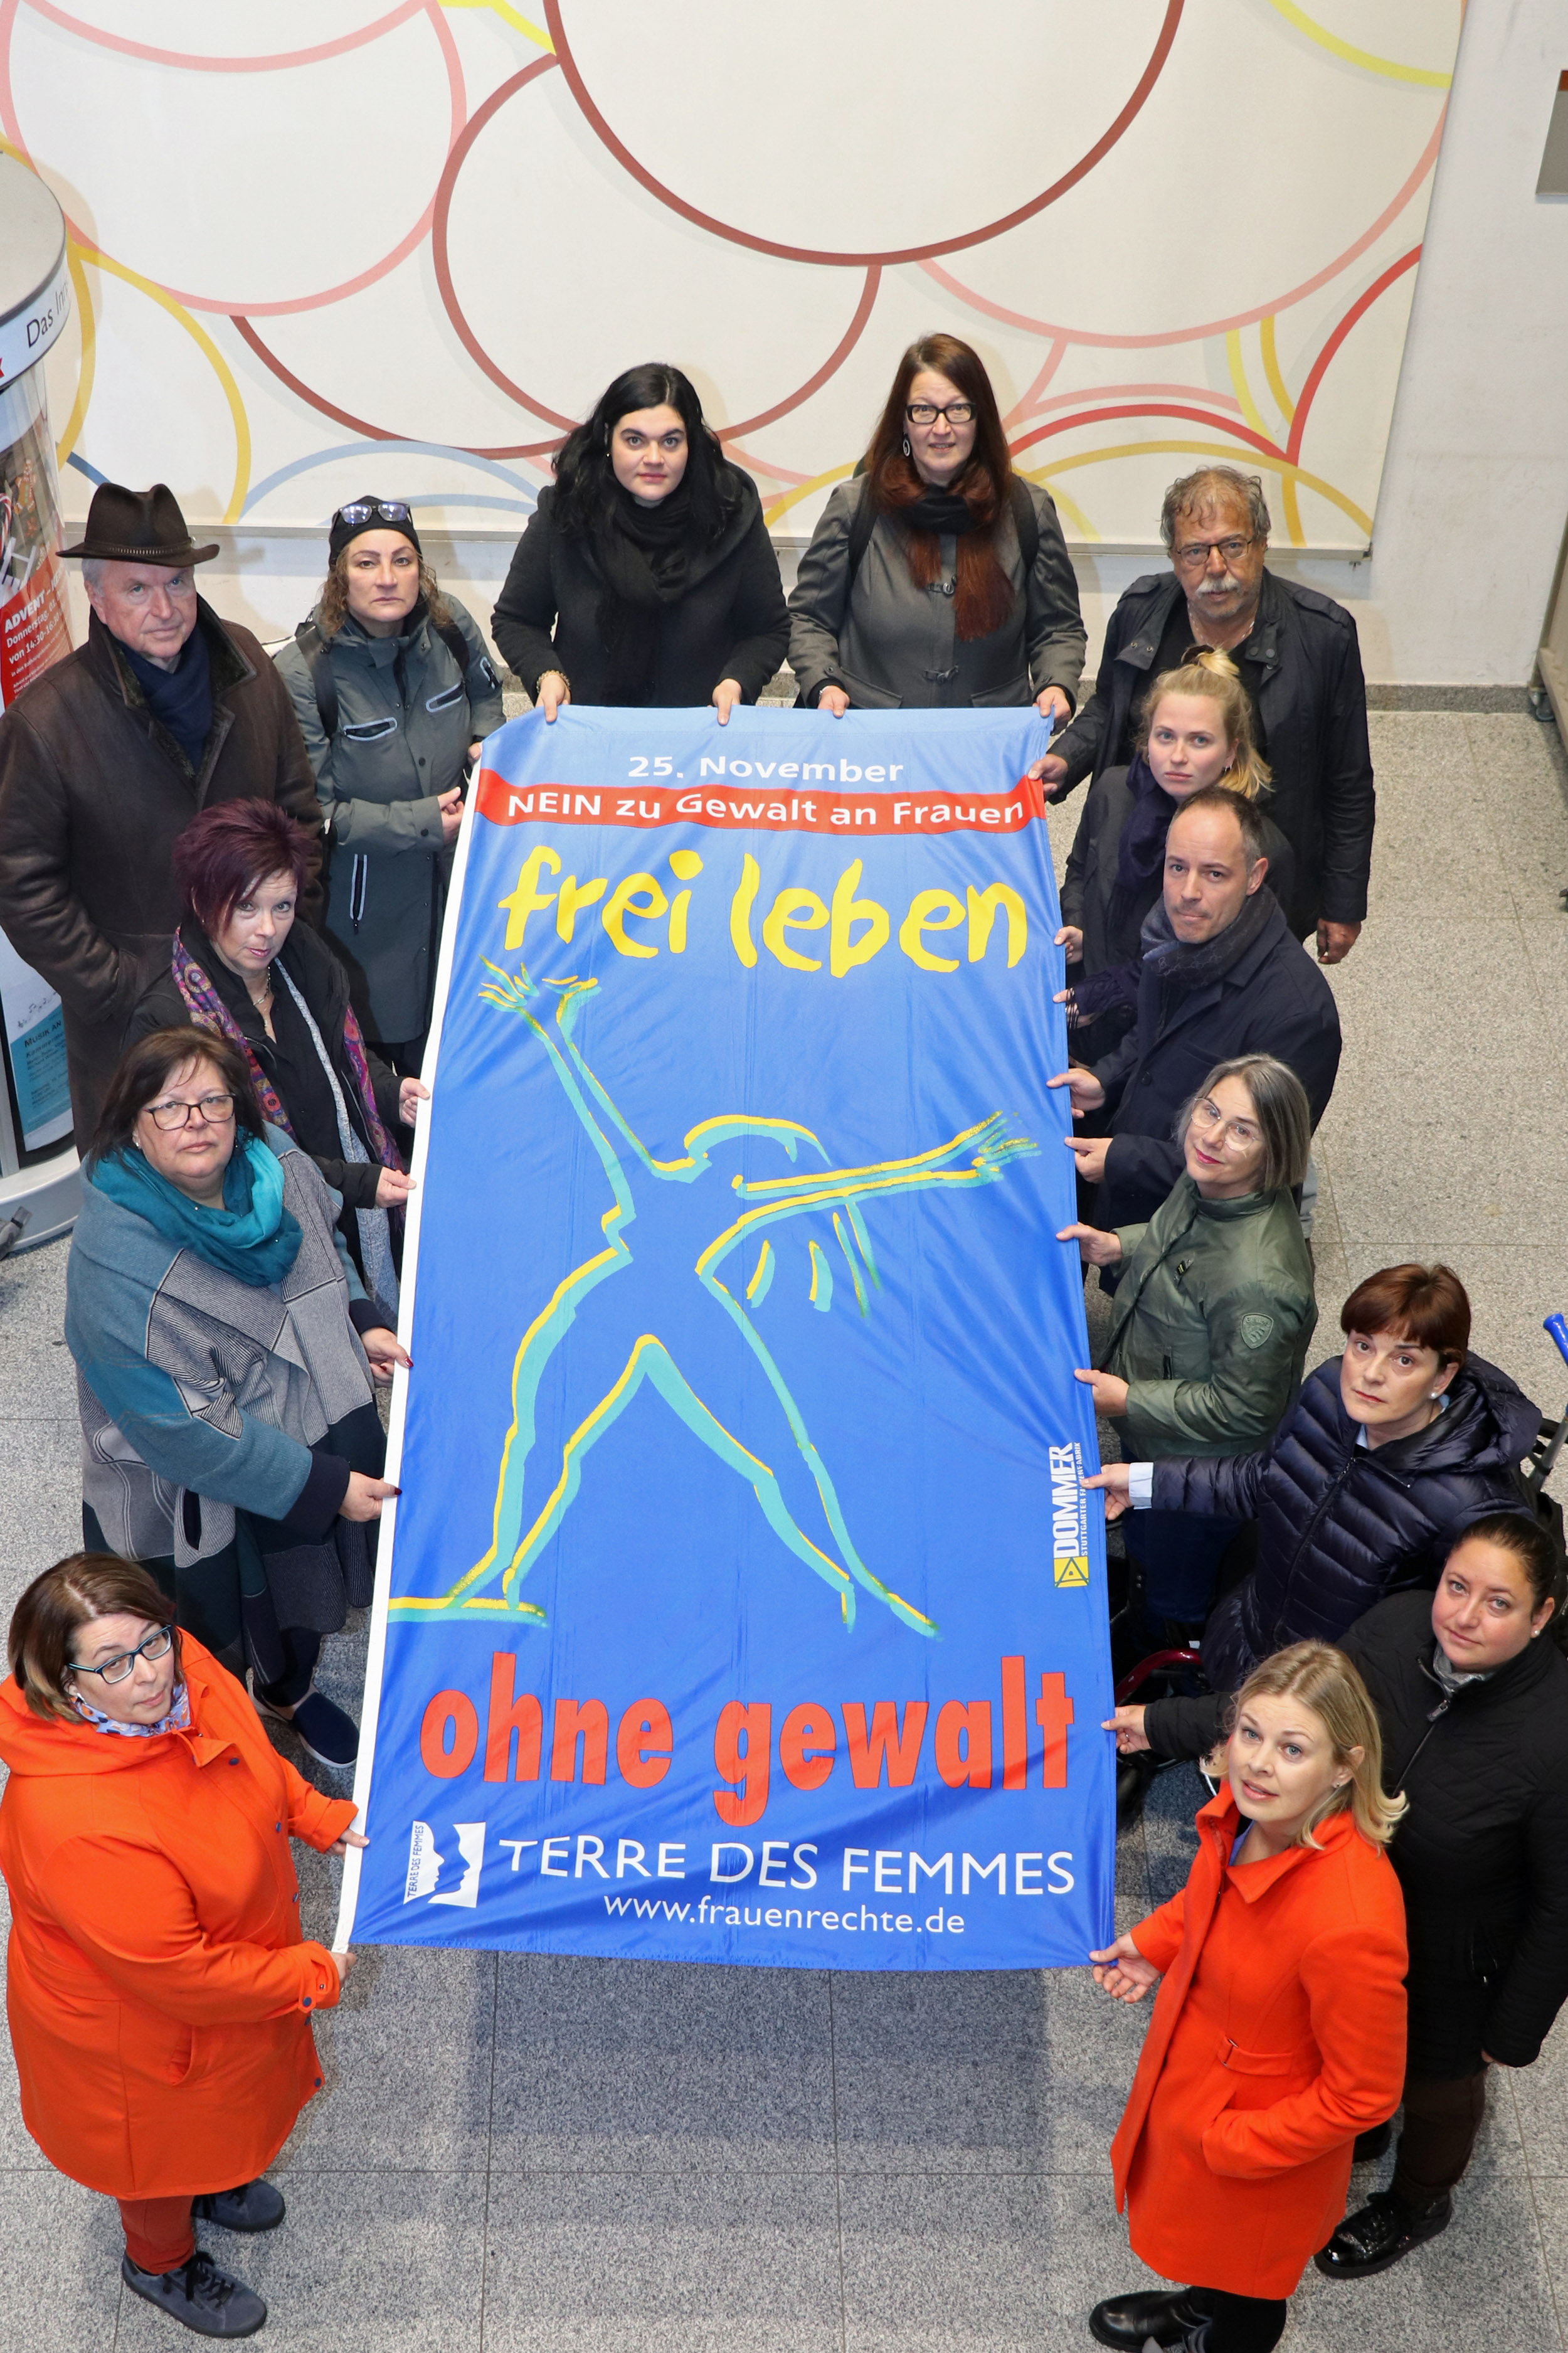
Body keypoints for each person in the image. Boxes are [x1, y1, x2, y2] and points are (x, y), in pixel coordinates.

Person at [1115, 1516, 1568, 2292]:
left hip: (1452, 1963)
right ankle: (1353, 2140)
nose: (1462, 1614)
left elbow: (1563, 1905)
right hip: (1328, 1910)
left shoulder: (1556, 1735)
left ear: (1541, 1617)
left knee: (1433, 2094)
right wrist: (1160, 1723)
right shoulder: (1395, 1625)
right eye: (1456, 1586)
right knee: (1345, 2079)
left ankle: (1418, 2203)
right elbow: (1291, 1711)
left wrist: (1512, 2030)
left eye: (1498, 1603)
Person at [0, 1553, 366, 2339]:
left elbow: (249, 1757)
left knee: (213, 2126)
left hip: (203, 1991)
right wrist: (308, 1973)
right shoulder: (77, 1827)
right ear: (64, 1685)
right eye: (112, 1663)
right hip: (132, 2046)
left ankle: (215, 2176)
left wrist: (313, 1813)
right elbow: (186, 1975)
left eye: (154, 1640)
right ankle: (158, 2262)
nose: (148, 1674)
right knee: (156, 2163)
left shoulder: (180, 1668)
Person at [64, 1029, 405, 1768]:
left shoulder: (275, 1162)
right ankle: (211, 1743)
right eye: (171, 1106)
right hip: (190, 1480)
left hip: (312, 1422)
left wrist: (358, 1316)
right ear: (132, 1123)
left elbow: (326, 1240)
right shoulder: (117, 1267)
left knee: (304, 1592)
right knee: (199, 1630)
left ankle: (289, 1692)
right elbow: (180, 1431)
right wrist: (321, 1485)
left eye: (213, 1100)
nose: (198, 1121)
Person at [1088, 1642, 1407, 2353]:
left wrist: (1235, 2142)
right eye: (1249, 1733)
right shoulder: (1250, 1812)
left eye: (1292, 1748)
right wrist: (1155, 1942)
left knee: (1253, 2284)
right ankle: (1198, 2305)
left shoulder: (1350, 1920)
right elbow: (1217, 1899)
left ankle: (1220, 2334)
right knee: (1219, 2258)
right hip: (1204, 2083)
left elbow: (1365, 2095)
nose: (1258, 1762)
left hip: (1258, 2143)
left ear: (1345, 1764)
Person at [0, 481, 322, 1149]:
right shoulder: (47, 720)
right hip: (134, 1027)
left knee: (276, 1186)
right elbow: (21, 884)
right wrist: (121, 987)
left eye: (177, 582)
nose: (165, 607)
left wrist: (281, 935)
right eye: (137, 589)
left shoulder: (250, 667)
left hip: (260, 996)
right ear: (95, 595)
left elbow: (299, 818)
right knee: (150, 1214)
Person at [1089, 1263, 1542, 1697]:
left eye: (1404, 1359)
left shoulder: (1472, 1505)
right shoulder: (1328, 1388)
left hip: (1332, 1697)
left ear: (1443, 1374)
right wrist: (1144, 1482)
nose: (1370, 1373)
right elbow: (1267, 1479)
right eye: (1363, 1345)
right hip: (1254, 1632)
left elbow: (1455, 1645)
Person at [1036, 464, 1373, 965]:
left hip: (1255, 872)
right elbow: (1109, 705)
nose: (1215, 567)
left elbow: (1348, 781)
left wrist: (1342, 904)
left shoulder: (1325, 638)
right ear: (1174, 558)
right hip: (1144, 852)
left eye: (1232, 546)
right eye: (1195, 551)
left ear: (1262, 544)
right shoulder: (1140, 612)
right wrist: (1065, 759)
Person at [129, 799, 425, 1320]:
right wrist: (354, 1183)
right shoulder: (169, 1022)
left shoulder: (300, 956)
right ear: (201, 900)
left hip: (356, 1211)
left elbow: (345, 1060)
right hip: (265, 1257)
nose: (267, 929)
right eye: (246, 907)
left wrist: (390, 1092)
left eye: (282, 907)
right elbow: (230, 1164)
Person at [1063, 1056, 1316, 1646]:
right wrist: (1115, 1245)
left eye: (1242, 1129)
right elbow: (1174, 1238)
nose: (1211, 1136)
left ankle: (1167, 1656)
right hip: (1150, 1415)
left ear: (1274, 1150)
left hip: (1194, 1469)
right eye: (1210, 1110)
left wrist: (1129, 1398)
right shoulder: (1211, 1176)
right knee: (1145, 1542)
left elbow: (1245, 1410)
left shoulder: (1261, 1282)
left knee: (1175, 1582)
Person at [273, 497, 505, 1070]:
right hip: (366, 921)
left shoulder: (450, 623)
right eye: (367, 563)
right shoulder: (304, 673)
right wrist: (424, 823)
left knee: (466, 1045)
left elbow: (486, 697)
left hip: (462, 888)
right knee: (384, 1075)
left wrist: (488, 752)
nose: (387, 578)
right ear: (338, 578)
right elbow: (318, 812)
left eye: (403, 561)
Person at [1048, 788, 1340, 1231]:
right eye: (1177, 867)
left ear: (1255, 876)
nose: (1188, 892)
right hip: (1139, 1216)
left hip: (1202, 1244)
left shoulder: (1298, 1017)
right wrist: (1106, 1080)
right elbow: (1153, 1038)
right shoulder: (1170, 939)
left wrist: (1126, 1159)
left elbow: (1255, 1165)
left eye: (1215, 874)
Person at [787, 332, 1086, 716]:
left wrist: (1057, 684)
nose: (941, 428)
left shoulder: (1028, 510)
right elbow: (809, 618)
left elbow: (1058, 629)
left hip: (986, 747)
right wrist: (823, 683)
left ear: (981, 420)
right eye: (924, 411)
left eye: (958, 409)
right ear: (904, 421)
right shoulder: (855, 507)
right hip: (873, 743)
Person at [490, 363, 788, 717]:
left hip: (700, 736)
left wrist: (737, 681)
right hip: (589, 731)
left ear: (691, 444)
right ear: (606, 439)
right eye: (635, 440)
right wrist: (547, 674)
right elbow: (517, 620)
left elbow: (768, 630)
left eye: (671, 441)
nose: (654, 459)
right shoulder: (567, 511)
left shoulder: (733, 514)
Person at [1056, 648, 1294, 1063]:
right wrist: (1077, 925)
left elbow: (1205, 973)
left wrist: (1113, 995)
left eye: (1199, 740)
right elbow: (1079, 870)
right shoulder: (1113, 790)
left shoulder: (1254, 844)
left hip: (1166, 1042)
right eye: (1165, 736)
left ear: (1231, 751)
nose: (1178, 756)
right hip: (1088, 1022)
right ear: (1146, 739)